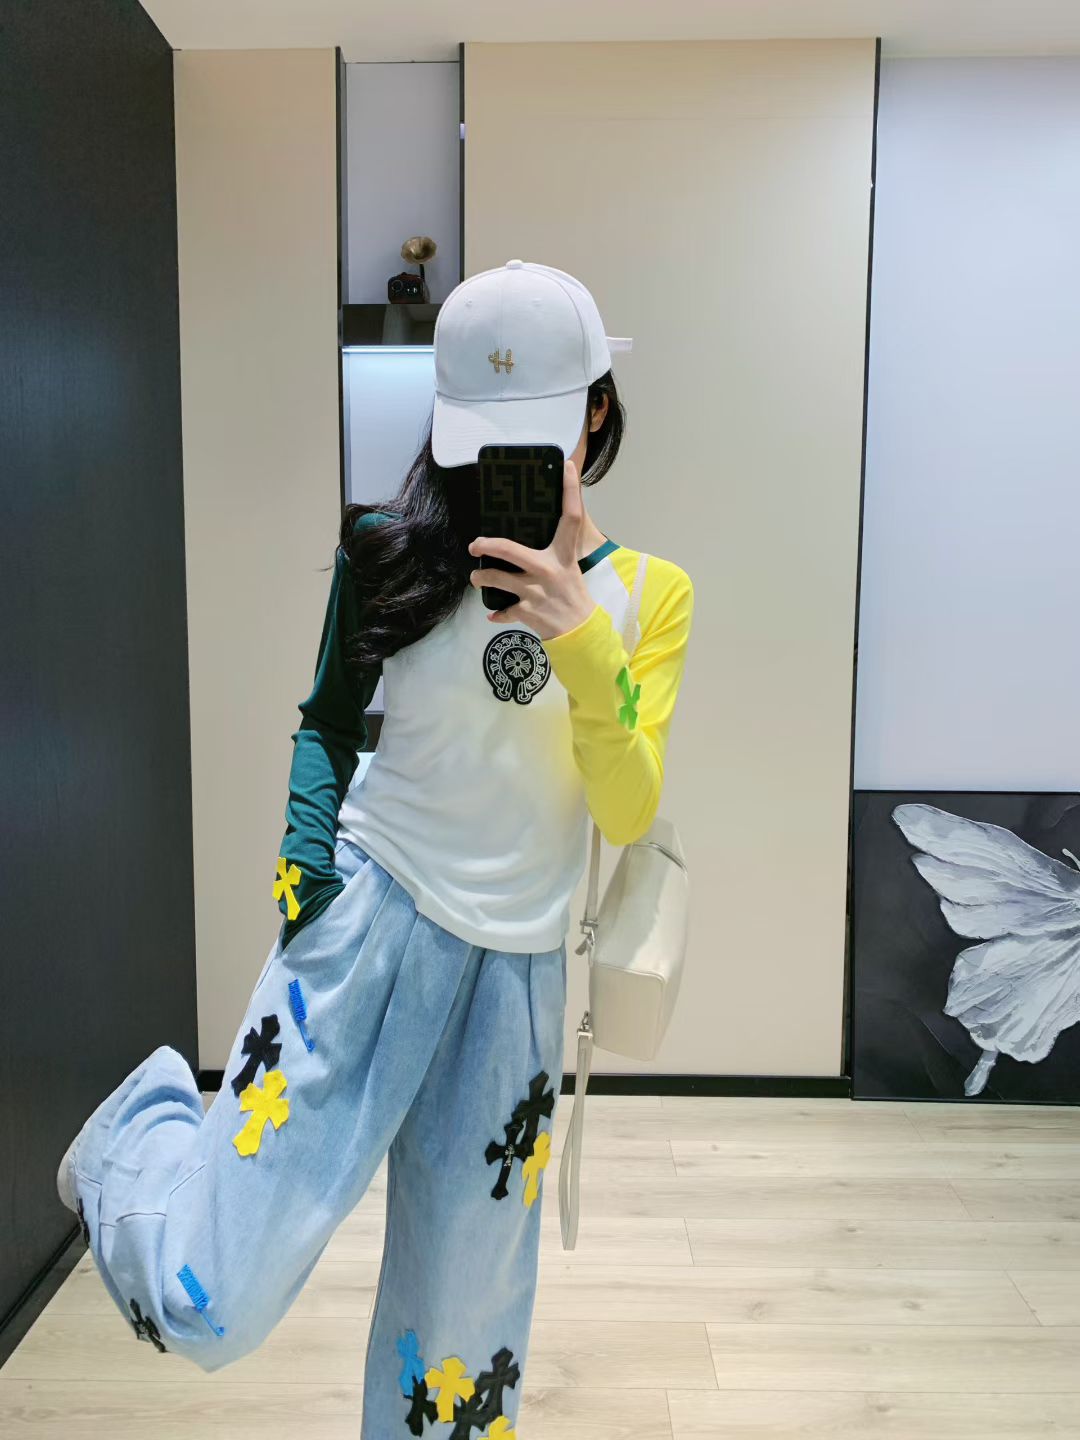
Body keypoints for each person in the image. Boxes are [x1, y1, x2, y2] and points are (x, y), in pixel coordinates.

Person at [56, 259, 693, 1438]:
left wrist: (582, 639)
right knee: (207, 1301)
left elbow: (625, 809)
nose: (499, 468)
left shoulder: (650, 597)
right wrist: (307, 880)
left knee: (455, 1350)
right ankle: (133, 1142)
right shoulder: (389, 549)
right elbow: (329, 722)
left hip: (512, 984)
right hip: (364, 929)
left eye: (532, 437)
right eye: (482, 442)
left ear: (596, 410)